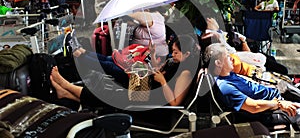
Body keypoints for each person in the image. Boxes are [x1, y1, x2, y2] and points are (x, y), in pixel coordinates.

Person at [51, 34, 200, 107]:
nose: (173, 55)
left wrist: (162, 82)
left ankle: (66, 86)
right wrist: (153, 54)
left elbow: (175, 103)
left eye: (176, 52)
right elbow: (158, 69)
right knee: (108, 87)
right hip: (143, 86)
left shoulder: (185, 73)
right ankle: (65, 91)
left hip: (148, 97)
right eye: (172, 51)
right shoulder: (175, 63)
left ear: (187, 54)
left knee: (106, 94)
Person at [204, 43, 300, 123]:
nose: (232, 58)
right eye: (228, 57)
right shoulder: (225, 87)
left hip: (275, 97)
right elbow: (253, 107)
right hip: (271, 110)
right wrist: (279, 104)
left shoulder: (228, 75)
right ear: (218, 63)